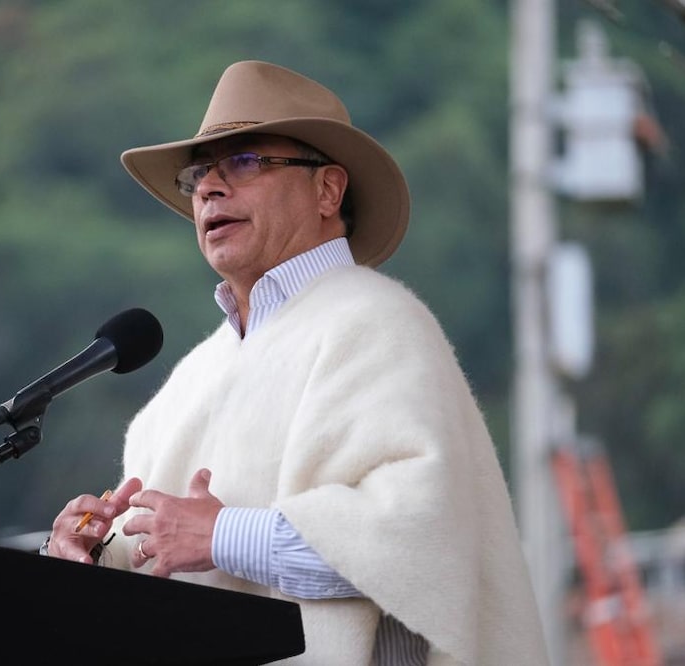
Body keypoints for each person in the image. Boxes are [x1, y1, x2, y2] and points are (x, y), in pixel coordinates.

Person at [43, 60, 549, 665]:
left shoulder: (378, 321)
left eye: (246, 162)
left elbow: (425, 547)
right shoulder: (187, 382)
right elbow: (152, 584)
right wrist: (82, 560)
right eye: (200, 172)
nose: (209, 187)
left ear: (328, 191)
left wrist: (222, 536)